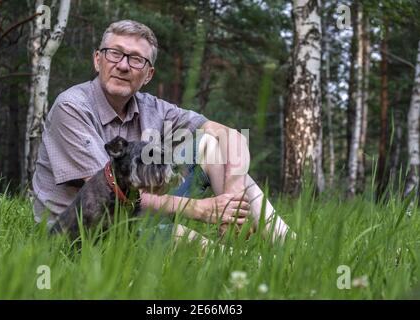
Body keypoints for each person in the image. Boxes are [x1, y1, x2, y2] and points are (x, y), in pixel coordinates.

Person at [32, 19, 292, 243]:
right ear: (98, 60)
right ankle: (245, 271)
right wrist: (202, 210)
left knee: (214, 147)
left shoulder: (153, 108)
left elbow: (231, 135)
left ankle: (290, 248)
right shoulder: (72, 106)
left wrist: (231, 201)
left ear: (148, 74)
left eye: (136, 59)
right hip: (84, 232)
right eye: (114, 53)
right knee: (176, 234)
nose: (123, 65)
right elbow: (110, 191)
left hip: (135, 216)